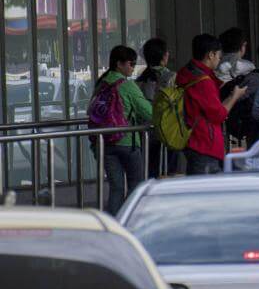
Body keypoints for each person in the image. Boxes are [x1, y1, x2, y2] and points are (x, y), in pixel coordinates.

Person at [90, 45, 152, 214]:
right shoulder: (127, 85)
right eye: (131, 64)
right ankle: (130, 219)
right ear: (119, 64)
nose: (133, 67)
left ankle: (114, 223)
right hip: (127, 141)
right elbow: (148, 111)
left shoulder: (101, 83)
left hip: (104, 142)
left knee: (116, 187)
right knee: (137, 184)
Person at [175, 34, 246, 175]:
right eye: (219, 56)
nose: (219, 60)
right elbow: (218, 115)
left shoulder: (187, 73)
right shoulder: (203, 82)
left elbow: (212, 107)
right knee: (205, 192)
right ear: (211, 55)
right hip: (205, 143)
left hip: (192, 139)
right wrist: (235, 97)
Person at [136, 37, 177, 178]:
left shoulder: (139, 80)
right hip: (168, 132)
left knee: (150, 172)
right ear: (164, 55)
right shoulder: (171, 77)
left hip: (145, 133)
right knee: (169, 173)